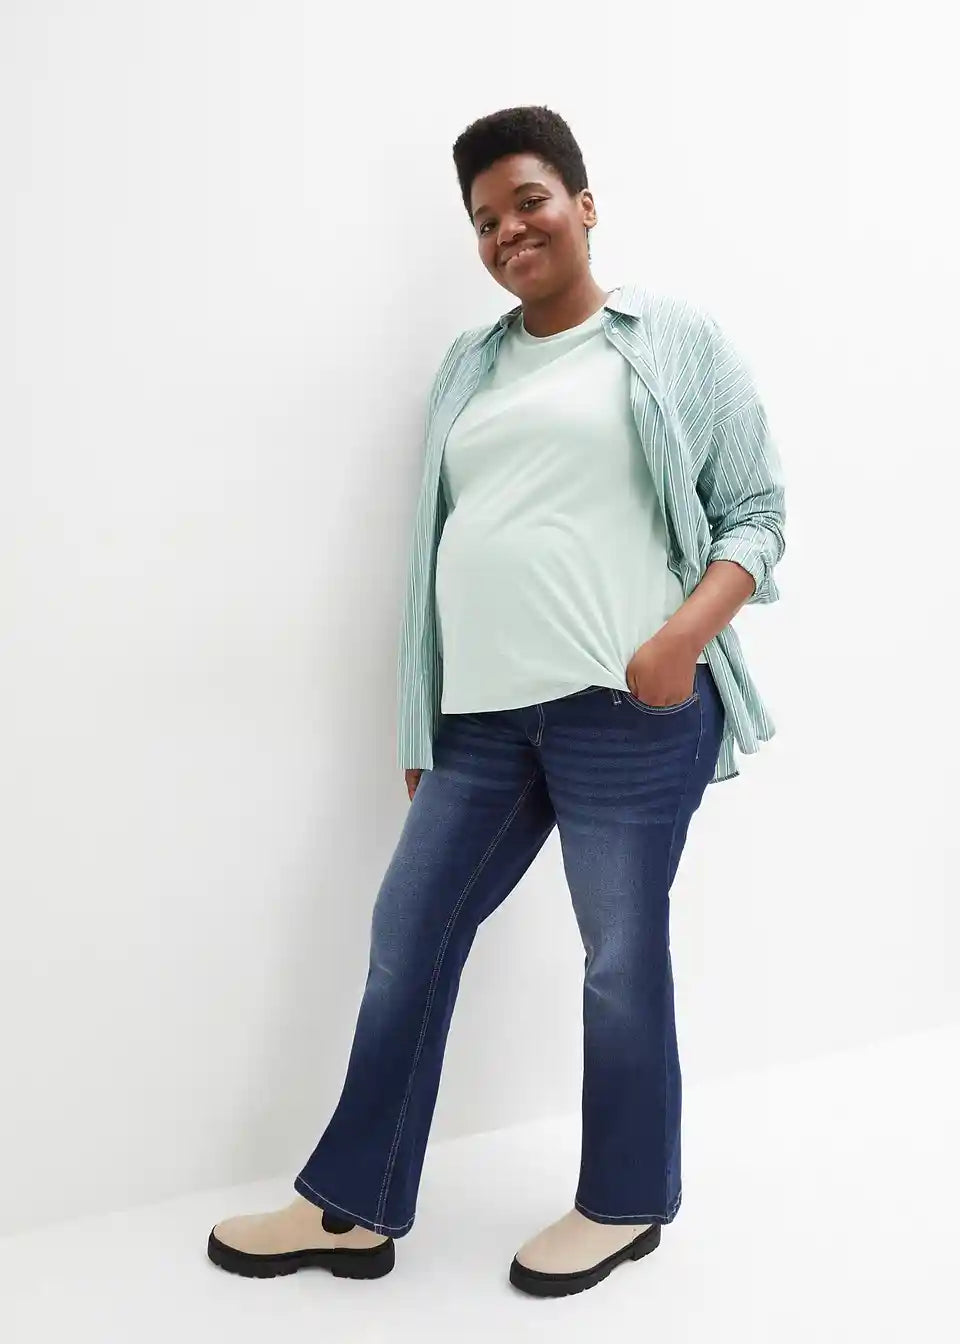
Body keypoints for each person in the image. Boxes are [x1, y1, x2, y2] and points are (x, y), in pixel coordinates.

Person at [207, 104, 786, 1299]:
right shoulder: (468, 367)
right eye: (484, 220)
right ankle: (352, 1205)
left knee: (619, 959)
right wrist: (422, 714)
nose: (508, 230)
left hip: (626, 712)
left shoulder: (669, 338)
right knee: (408, 935)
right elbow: (434, 545)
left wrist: (678, 642)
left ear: (583, 204)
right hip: (482, 724)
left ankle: (624, 1202)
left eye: (528, 201)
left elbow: (758, 515)